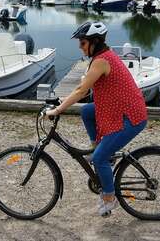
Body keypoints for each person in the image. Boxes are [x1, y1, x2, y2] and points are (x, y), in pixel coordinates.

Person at [45, 21, 148, 217]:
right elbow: (85, 88)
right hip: (119, 109)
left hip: (130, 116)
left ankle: (109, 197)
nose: (79, 46)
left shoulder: (101, 61)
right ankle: (99, 149)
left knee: (99, 158)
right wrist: (63, 100)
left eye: (83, 43)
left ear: (95, 42)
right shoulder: (101, 57)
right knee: (87, 112)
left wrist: (58, 110)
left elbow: (81, 89)